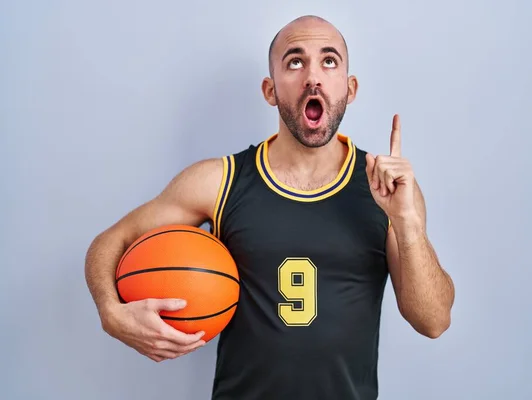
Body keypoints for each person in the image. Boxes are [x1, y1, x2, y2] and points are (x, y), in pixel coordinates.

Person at [84, 15, 455, 400]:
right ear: (270, 89)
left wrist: (406, 223)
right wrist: (111, 313)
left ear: (350, 87)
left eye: (329, 61)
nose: (313, 77)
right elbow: (112, 240)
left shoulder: (387, 189)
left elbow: (433, 321)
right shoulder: (220, 181)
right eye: (295, 61)